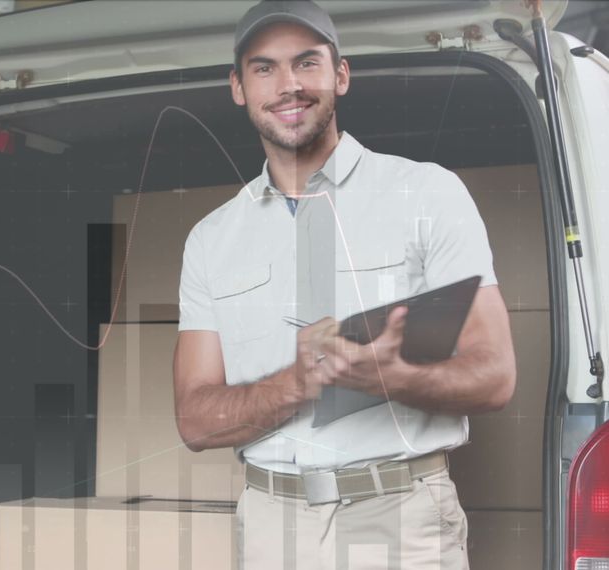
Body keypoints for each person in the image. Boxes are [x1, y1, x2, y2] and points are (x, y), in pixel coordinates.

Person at [171, 1, 517, 568]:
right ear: (238, 87)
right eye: (265, 68)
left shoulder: (427, 194)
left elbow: (495, 376)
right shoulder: (211, 238)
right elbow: (194, 419)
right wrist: (298, 383)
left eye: (307, 63)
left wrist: (390, 376)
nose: (289, 86)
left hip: (399, 515)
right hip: (270, 523)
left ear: (341, 74)